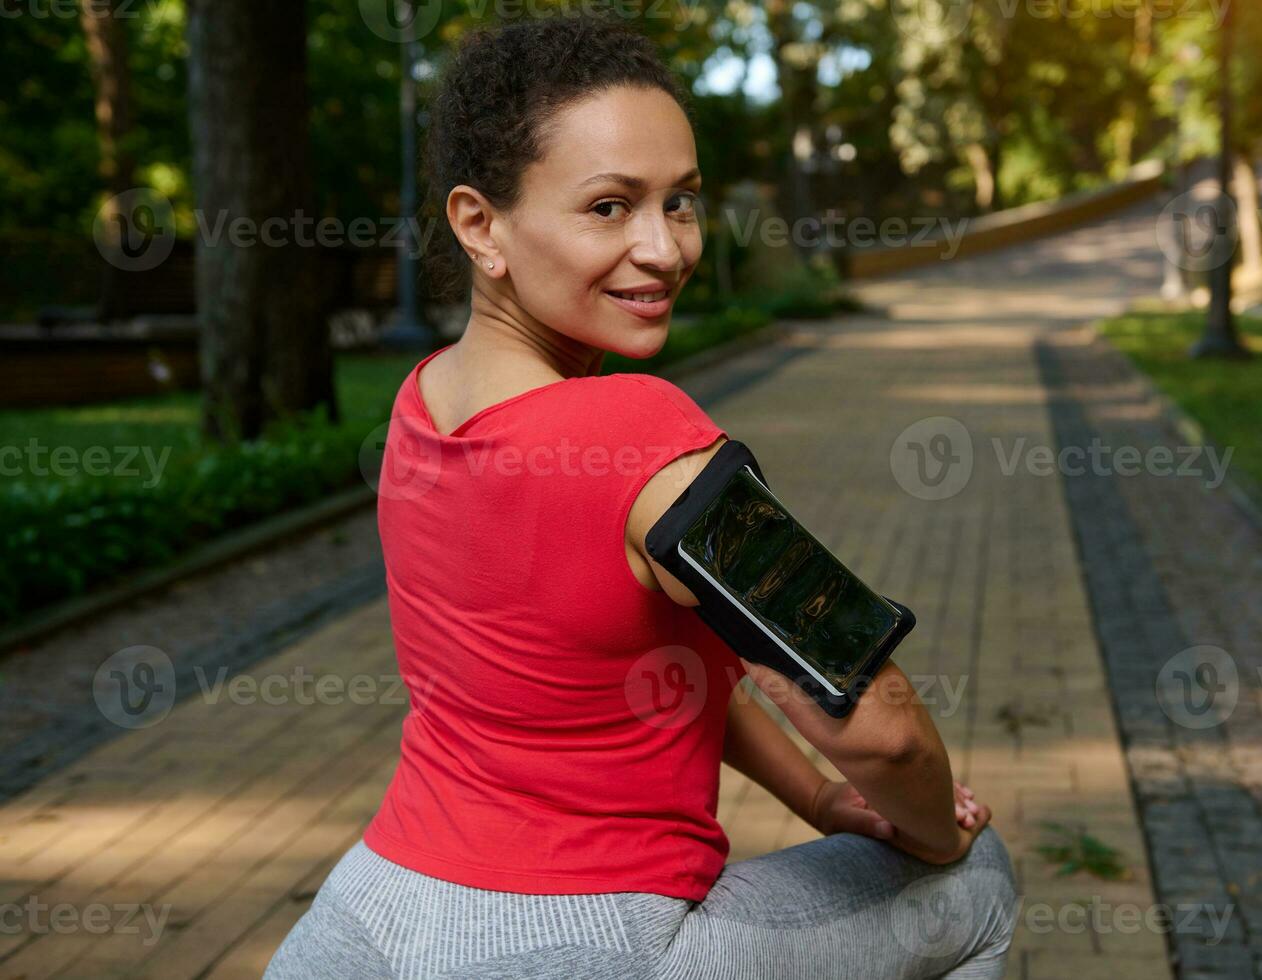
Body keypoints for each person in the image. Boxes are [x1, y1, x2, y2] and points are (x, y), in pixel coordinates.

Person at [267, 13, 1017, 979]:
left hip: (369, 918)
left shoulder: (419, 409)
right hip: (588, 941)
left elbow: (656, 669)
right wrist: (935, 834)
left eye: (682, 202)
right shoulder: (638, 435)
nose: (663, 249)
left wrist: (819, 802)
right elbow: (881, 730)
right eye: (610, 207)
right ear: (478, 224)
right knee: (978, 878)